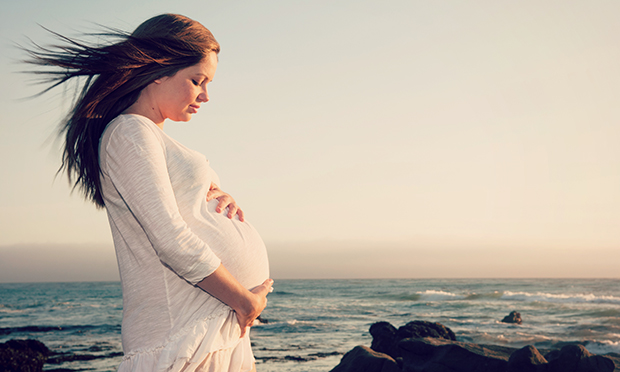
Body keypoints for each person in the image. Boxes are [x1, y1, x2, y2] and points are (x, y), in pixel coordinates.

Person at [24, 14, 272, 372]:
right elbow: (169, 238)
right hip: (184, 336)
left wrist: (217, 197)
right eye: (197, 80)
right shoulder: (129, 132)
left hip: (208, 329)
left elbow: (180, 209)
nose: (205, 95)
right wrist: (244, 301)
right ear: (158, 70)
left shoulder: (149, 135)